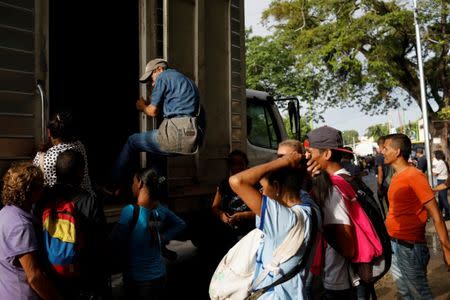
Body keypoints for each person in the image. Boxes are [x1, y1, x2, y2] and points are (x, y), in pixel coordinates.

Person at [229, 151, 316, 299]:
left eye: (263, 187)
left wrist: (284, 162)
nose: (261, 192)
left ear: (276, 186)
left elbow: (237, 181)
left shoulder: (285, 220)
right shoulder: (310, 207)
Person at [110, 58, 201, 191]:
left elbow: (152, 111)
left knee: (132, 141)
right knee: (155, 152)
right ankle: (155, 191)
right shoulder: (188, 82)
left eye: (151, 78)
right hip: (191, 139)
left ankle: (112, 184)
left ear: (159, 69)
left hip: (175, 134)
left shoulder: (163, 77)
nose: (153, 83)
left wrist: (142, 106)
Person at [382, 134, 450, 299]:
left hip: (409, 247)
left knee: (419, 294)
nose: (382, 151)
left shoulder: (414, 176)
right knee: (405, 292)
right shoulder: (397, 176)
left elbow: (436, 216)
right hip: (395, 243)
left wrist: (446, 250)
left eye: (385, 148)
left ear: (397, 151)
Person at [110, 167, 186, 300]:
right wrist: (163, 237)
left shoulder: (130, 211)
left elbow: (115, 243)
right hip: (159, 276)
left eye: (133, 182)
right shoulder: (158, 211)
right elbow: (180, 224)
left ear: (140, 183)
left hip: (138, 281)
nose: (132, 185)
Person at [41, 150, 109, 299]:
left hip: (50, 276)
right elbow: (99, 244)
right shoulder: (89, 200)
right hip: (80, 277)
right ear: (80, 172)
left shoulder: (43, 197)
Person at [304, 126, 360, 299]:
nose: (307, 156)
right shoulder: (348, 178)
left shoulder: (332, 189)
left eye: (310, 152)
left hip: (338, 279)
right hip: (348, 276)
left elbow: (347, 246)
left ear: (326, 154)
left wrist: (321, 228)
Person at [0, 162, 62, 300]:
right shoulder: (21, 226)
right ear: (32, 192)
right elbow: (34, 277)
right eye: (40, 186)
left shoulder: (4, 214)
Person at [32, 110, 94, 196]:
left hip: (56, 205)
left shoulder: (42, 158)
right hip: (85, 201)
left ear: (49, 133)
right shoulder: (80, 146)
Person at [211, 150, 255, 250]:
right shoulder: (224, 184)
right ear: (230, 167)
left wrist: (244, 215)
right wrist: (221, 215)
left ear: (246, 165)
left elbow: (263, 211)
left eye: (241, 164)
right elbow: (214, 207)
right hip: (228, 232)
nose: (238, 167)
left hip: (249, 232)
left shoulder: (253, 183)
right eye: (234, 164)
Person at [374, 136, 392, 213]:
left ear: (380, 145)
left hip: (384, 185)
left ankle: (386, 219)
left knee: (384, 205)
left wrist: (379, 187)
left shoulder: (379, 157)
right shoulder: (391, 154)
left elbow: (380, 173)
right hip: (392, 183)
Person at [432, 150, 449, 220]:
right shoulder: (442, 162)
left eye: (434, 155)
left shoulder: (440, 163)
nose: (433, 156)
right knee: (441, 198)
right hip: (442, 180)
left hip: (442, 181)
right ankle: (440, 213)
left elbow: (435, 173)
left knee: (443, 199)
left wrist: (432, 167)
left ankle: (448, 214)